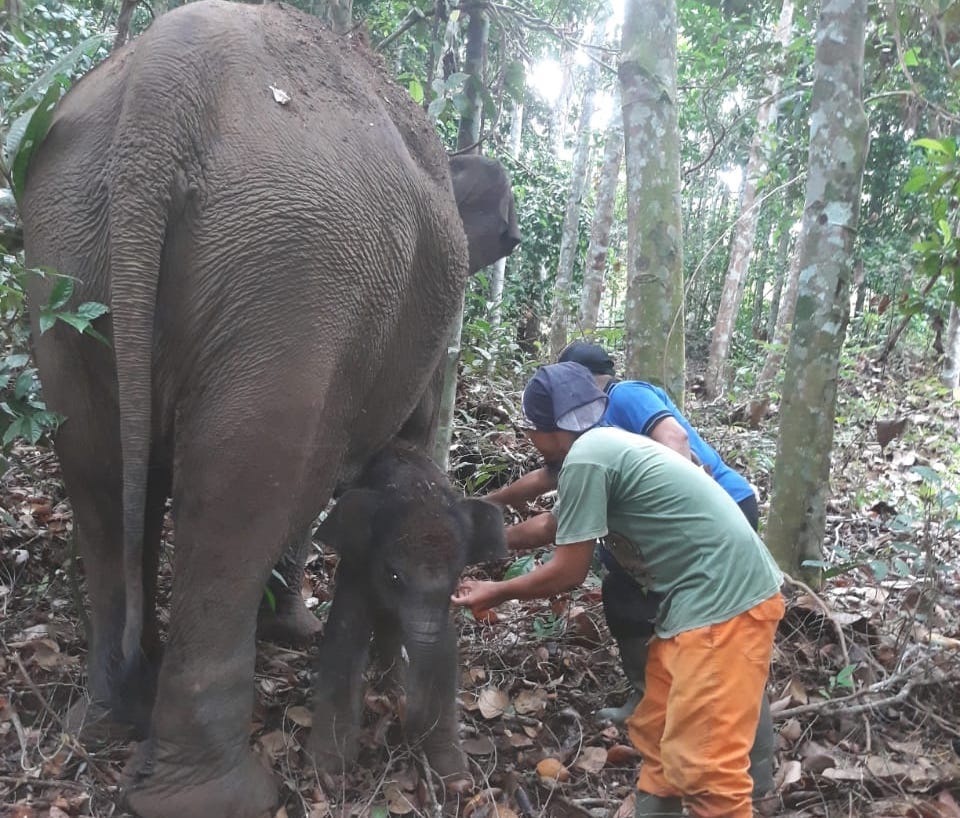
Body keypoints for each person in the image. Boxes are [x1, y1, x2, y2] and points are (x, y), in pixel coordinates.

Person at [453, 362, 784, 818]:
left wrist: (498, 590)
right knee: (658, 727)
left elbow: (568, 572)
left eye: (530, 429)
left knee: (706, 765)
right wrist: (481, 535)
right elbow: (556, 525)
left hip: (722, 604)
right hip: (694, 602)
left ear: (545, 430)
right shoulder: (606, 446)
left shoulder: (590, 457)